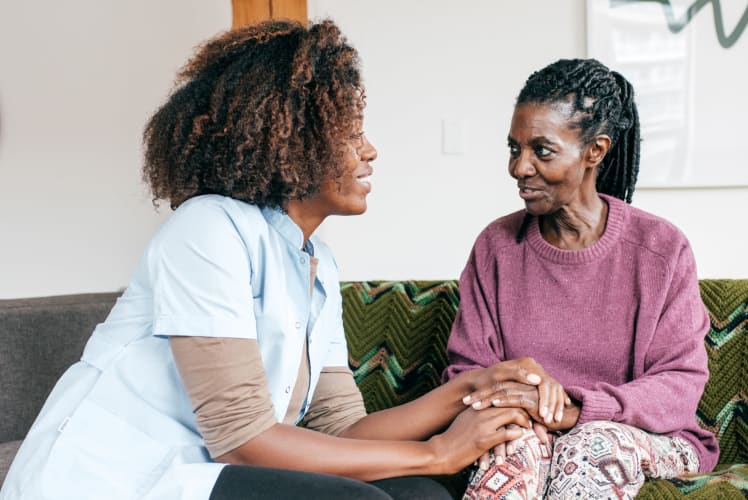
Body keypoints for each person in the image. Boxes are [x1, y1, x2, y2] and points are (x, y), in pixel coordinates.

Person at [0, 19, 545, 500]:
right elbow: (242, 439)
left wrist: (472, 389)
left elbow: (340, 430)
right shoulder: (207, 229)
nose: (370, 150)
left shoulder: (317, 265)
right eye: (351, 133)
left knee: (418, 495)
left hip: (207, 471)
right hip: (116, 478)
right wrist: (437, 453)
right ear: (293, 145)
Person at [444, 58, 720, 499]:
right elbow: (465, 372)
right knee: (512, 444)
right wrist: (527, 408)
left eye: (542, 151)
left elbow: (680, 383)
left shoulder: (661, 249)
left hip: (643, 437)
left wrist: (578, 411)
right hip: (527, 428)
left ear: (595, 151)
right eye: (514, 149)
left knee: (590, 446)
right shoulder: (495, 247)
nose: (520, 168)